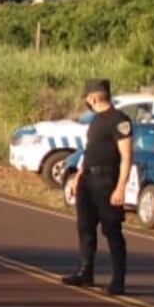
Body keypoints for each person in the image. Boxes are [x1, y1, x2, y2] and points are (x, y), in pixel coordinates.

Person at [62, 79, 133, 295]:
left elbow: (127, 156)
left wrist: (121, 187)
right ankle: (86, 272)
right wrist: (78, 177)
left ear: (93, 97)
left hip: (106, 182)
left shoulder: (119, 120)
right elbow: (90, 152)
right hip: (88, 181)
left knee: (112, 231)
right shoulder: (95, 121)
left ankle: (118, 280)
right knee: (85, 227)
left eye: (87, 97)